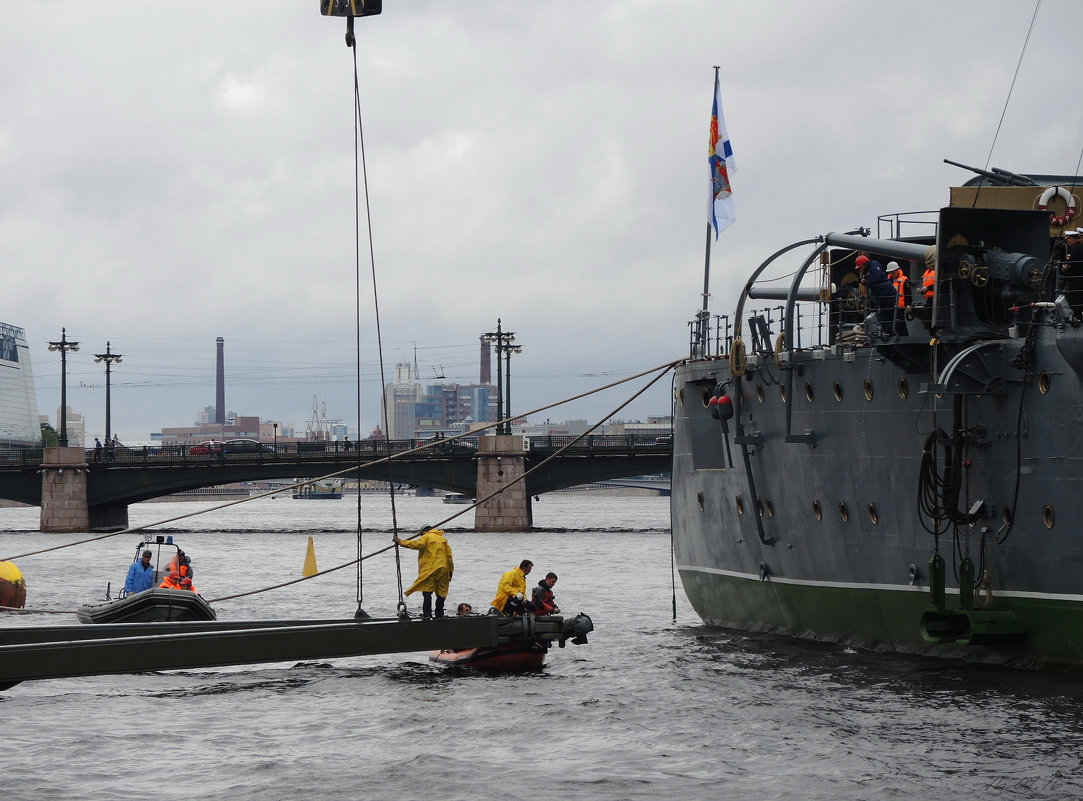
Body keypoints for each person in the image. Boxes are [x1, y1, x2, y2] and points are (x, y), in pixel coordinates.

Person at [393, 525, 454, 618]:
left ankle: (427, 615)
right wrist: (450, 571)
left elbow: (416, 544)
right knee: (441, 593)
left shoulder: (427, 537)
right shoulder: (443, 540)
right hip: (444, 569)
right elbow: (449, 556)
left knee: (427, 591)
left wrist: (401, 542)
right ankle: (439, 615)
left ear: (424, 532)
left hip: (431, 569)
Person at [856, 254, 896, 336]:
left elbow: (873, 281)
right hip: (883, 298)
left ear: (864, 264)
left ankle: (895, 334)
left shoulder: (874, 269)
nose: (860, 269)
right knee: (884, 318)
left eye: (860, 267)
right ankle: (889, 334)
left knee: (891, 316)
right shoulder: (873, 268)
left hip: (888, 296)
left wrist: (864, 282)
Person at [1061, 229, 1083, 316]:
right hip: (1080, 277)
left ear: (1073, 238)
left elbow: (1069, 265)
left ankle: (1077, 317)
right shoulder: (1080, 247)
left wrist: (1063, 267)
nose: (1067, 241)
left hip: (1075, 278)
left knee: (1074, 298)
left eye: (1068, 238)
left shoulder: (1075, 248)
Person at [887, 261, 909, 336]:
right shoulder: (887, 282)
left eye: (893, 272)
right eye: (890, 273)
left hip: (900, 308)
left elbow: (908, 294)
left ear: (897, 270)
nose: (891, 275)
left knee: (901, 325)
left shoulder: (904, 280)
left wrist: (908, 305)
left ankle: (905, 338)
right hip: (890, 307)